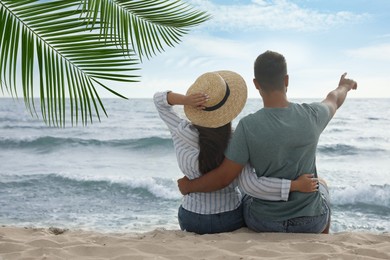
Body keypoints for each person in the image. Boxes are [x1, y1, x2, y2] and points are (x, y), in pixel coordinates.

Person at [177, 51, 358, 234]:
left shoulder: (248, 126)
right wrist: (345, 85)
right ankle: (321, 239)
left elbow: (225, 177)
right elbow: (334, 99)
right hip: (309, 222)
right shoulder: (313, 115)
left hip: (263, 221)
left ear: (256, 84)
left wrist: (189, 186)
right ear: (286, 80)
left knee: (247, 192)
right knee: (322, 185)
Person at [154, 70, 317, 234]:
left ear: (196, 109)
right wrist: (295, 185)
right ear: (229, 108)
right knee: (249, 195)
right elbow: (251, 183)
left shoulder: (180, 130)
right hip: (229, 218)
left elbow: (159, 99)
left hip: (191, 218)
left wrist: (185, 100)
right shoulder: (237, 139)